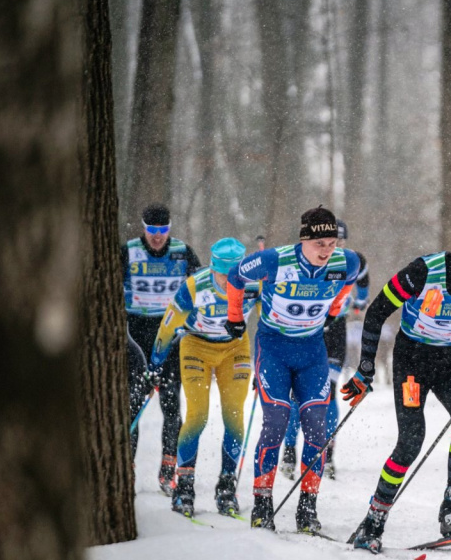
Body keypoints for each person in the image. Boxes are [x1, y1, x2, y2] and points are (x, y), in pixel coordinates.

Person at [344, 213, 451, 554]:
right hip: (413, 360)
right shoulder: (424, 272)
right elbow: (377, 311)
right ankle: (373, 521)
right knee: (411, 441)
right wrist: (365, 370)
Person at [225, 206, 360, 533]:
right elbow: (234, 276)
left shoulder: (347, 262)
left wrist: (334, 310)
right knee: (276, 419)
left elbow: (348, 282)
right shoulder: (275, 260)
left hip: (312, 349)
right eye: (320, 244)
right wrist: (234, 317)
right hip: (273, 347)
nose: (327, 251)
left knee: (317, 424)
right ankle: (262, 504)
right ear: (304, 241)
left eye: (332, 243)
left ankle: (307, 508)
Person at [148, 238, 261, 518]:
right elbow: (167, 325)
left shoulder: (254, 284)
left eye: (235, 277)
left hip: (235, 349)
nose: (229, 282)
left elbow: (268, 321)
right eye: (224, 276)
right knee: (197, 416)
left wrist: (267, 361)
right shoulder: (195, 286)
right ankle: (184, 486)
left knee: (234, 416)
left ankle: (226, 486)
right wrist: (155, 362)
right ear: (213, 269)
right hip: (196, 346)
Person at [280, 218, 370, 481]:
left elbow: (364, 282)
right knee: (298, 394)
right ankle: (289, 450)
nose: (335, 247)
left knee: (327, 393)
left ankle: (327, 454)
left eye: (340, 241)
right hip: (308, 329)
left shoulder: (352, 260)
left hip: (334, 331)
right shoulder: (309, 259)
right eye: (331, 241)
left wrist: (359, 304)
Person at [123, 203, 201, 492]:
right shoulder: (129, 251)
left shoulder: (182, 252)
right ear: (143, 228)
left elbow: (199, 287)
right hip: (136, 335)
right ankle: (126, 469)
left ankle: (168, 469)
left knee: (171, 404)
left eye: (163, 230)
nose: (157, 237)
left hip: (170, 336)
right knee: (131, 405)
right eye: (152, 230)